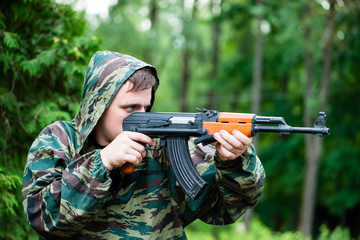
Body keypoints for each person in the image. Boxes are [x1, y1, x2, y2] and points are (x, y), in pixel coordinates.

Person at [22, 50, 265, 239]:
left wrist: (232, 160)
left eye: (146, 107)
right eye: (130, 108)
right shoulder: (61, 140)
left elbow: (226, 209)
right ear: (99, 105)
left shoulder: (161, 146)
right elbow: (41, 219)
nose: (141, 114)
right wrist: (103, 162)